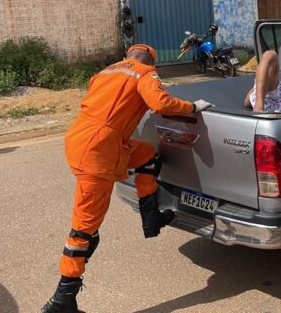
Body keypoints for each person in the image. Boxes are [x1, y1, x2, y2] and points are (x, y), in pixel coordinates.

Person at [41, 44, 212, 313]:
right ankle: (62, 299)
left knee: (146, 154)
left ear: (127, 58)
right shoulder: (145, 74)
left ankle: (150, 216)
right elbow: (160, 103)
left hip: (85, 139)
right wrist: (192, 107)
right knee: (85, 230)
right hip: (98, 151)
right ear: (151, 63)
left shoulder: (105, 72)